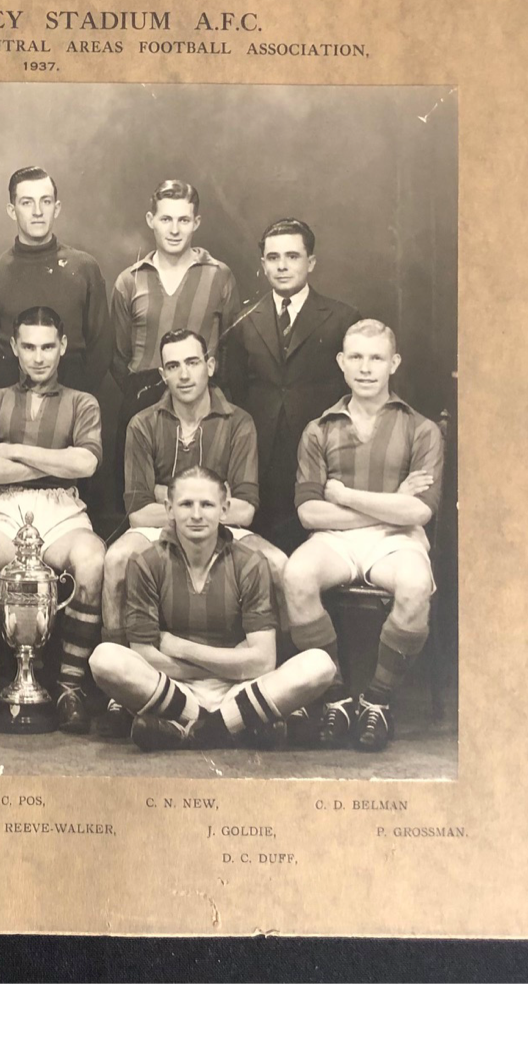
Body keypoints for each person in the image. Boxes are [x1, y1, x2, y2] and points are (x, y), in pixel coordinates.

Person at [101, 328, 289, 735]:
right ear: (162, 374)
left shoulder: (238, 421)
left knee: (279, 563)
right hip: (168, 523)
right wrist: (201, 504)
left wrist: (171, 497)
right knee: (116, 559)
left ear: (210, 365)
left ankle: (275, 683)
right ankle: (123, 690)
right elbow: (138, 512)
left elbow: (244, 508)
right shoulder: (142, 423)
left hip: (223, 525)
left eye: (192, 362)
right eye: (173, 366)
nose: (184, 374)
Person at [89, 467, 336, 752]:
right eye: (186, 504)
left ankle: (192, 728)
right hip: (175, 684)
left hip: (237, 688)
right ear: (169, 509)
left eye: (207, 504)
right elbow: (144, 655)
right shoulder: (146, 563)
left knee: (319, 664)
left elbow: (263, 662)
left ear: (224, 509)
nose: (196, 515)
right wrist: (231, 663)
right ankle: (229, 725)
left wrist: (180, 647)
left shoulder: (250, 563)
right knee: (104, 659)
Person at [282, 319, 443, 751]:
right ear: (341, 362)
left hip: (397, 542)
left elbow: (419, 511)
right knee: (296, 575)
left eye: (376, 357)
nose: (366, 367)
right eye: (356, 356)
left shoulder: (422, 428)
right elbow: (309, 513)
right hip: (338, 539)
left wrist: (345, 495)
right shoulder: (319, 429)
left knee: (415, 585)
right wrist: (390, 504)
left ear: (394, 363)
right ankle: (335, 698)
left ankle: (377, 701)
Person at [0, 307, 106, 734]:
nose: (38, 357)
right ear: (14, 347)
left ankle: (69, 687)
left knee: (92, 560)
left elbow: (85, 463)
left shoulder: (82, 402)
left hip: (62, 506)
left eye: (47, 347)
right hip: (4, 505)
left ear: (62, 347)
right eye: (29, 347)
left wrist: (13, 450)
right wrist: (55, 461)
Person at [219, 218, 361, 553]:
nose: (282, 266)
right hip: (261, 451)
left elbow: (354, 391)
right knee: (263, 548)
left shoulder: (343, 318)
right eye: (273, 257)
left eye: (292, 256)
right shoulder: (243, 320)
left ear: (311, 262)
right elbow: (233, 386)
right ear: (263, 264)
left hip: (320, 449)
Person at [109, 180, 238, 489]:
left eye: (184, 220)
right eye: (166, 219)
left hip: (202, 403)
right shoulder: (130, 280)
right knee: (141, 499)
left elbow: (232, 347)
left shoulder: (219, 276)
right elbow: (118, 354)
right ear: (151, 220)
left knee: (203, 495)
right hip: (143, 400)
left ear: (197, 222)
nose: (175, 229)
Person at [0, 166, 112, 395]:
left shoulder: (84, 268)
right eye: (27, 203)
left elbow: (101, 349)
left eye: (45, 202)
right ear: (12, 210)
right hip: (11, 405)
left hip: (74, 402)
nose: (38, 211)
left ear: (57, 208)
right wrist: (12, 404)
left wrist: (72, 400)